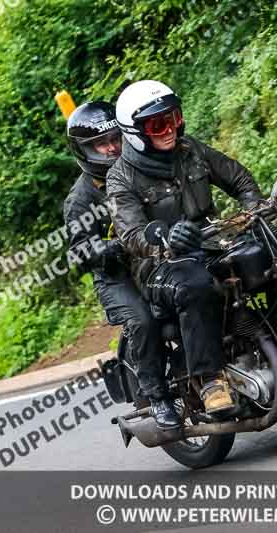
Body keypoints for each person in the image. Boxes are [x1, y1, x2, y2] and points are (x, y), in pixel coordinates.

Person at [106, 80, 261, 416]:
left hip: (212, 243)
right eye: (157, 124)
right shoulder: (121, 178)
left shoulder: (191, 150)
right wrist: (162, 241)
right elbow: (131, 234)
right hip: (161, 269)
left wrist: (254, 210)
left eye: (173, 118)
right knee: (194, 283)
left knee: (265, 253)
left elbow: (240, 179)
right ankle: (210, 380)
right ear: (135, 132)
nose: (169, 129)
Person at [62, 101, 181, 429]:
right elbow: (80, 254)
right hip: (117, 277)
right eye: (102, 143)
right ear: (85, 150)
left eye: (115, 138)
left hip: (158, 258)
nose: (112, 147)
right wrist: (113, 248)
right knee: (143, 321)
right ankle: (158, 397)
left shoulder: (139, 167)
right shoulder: (80, 200)